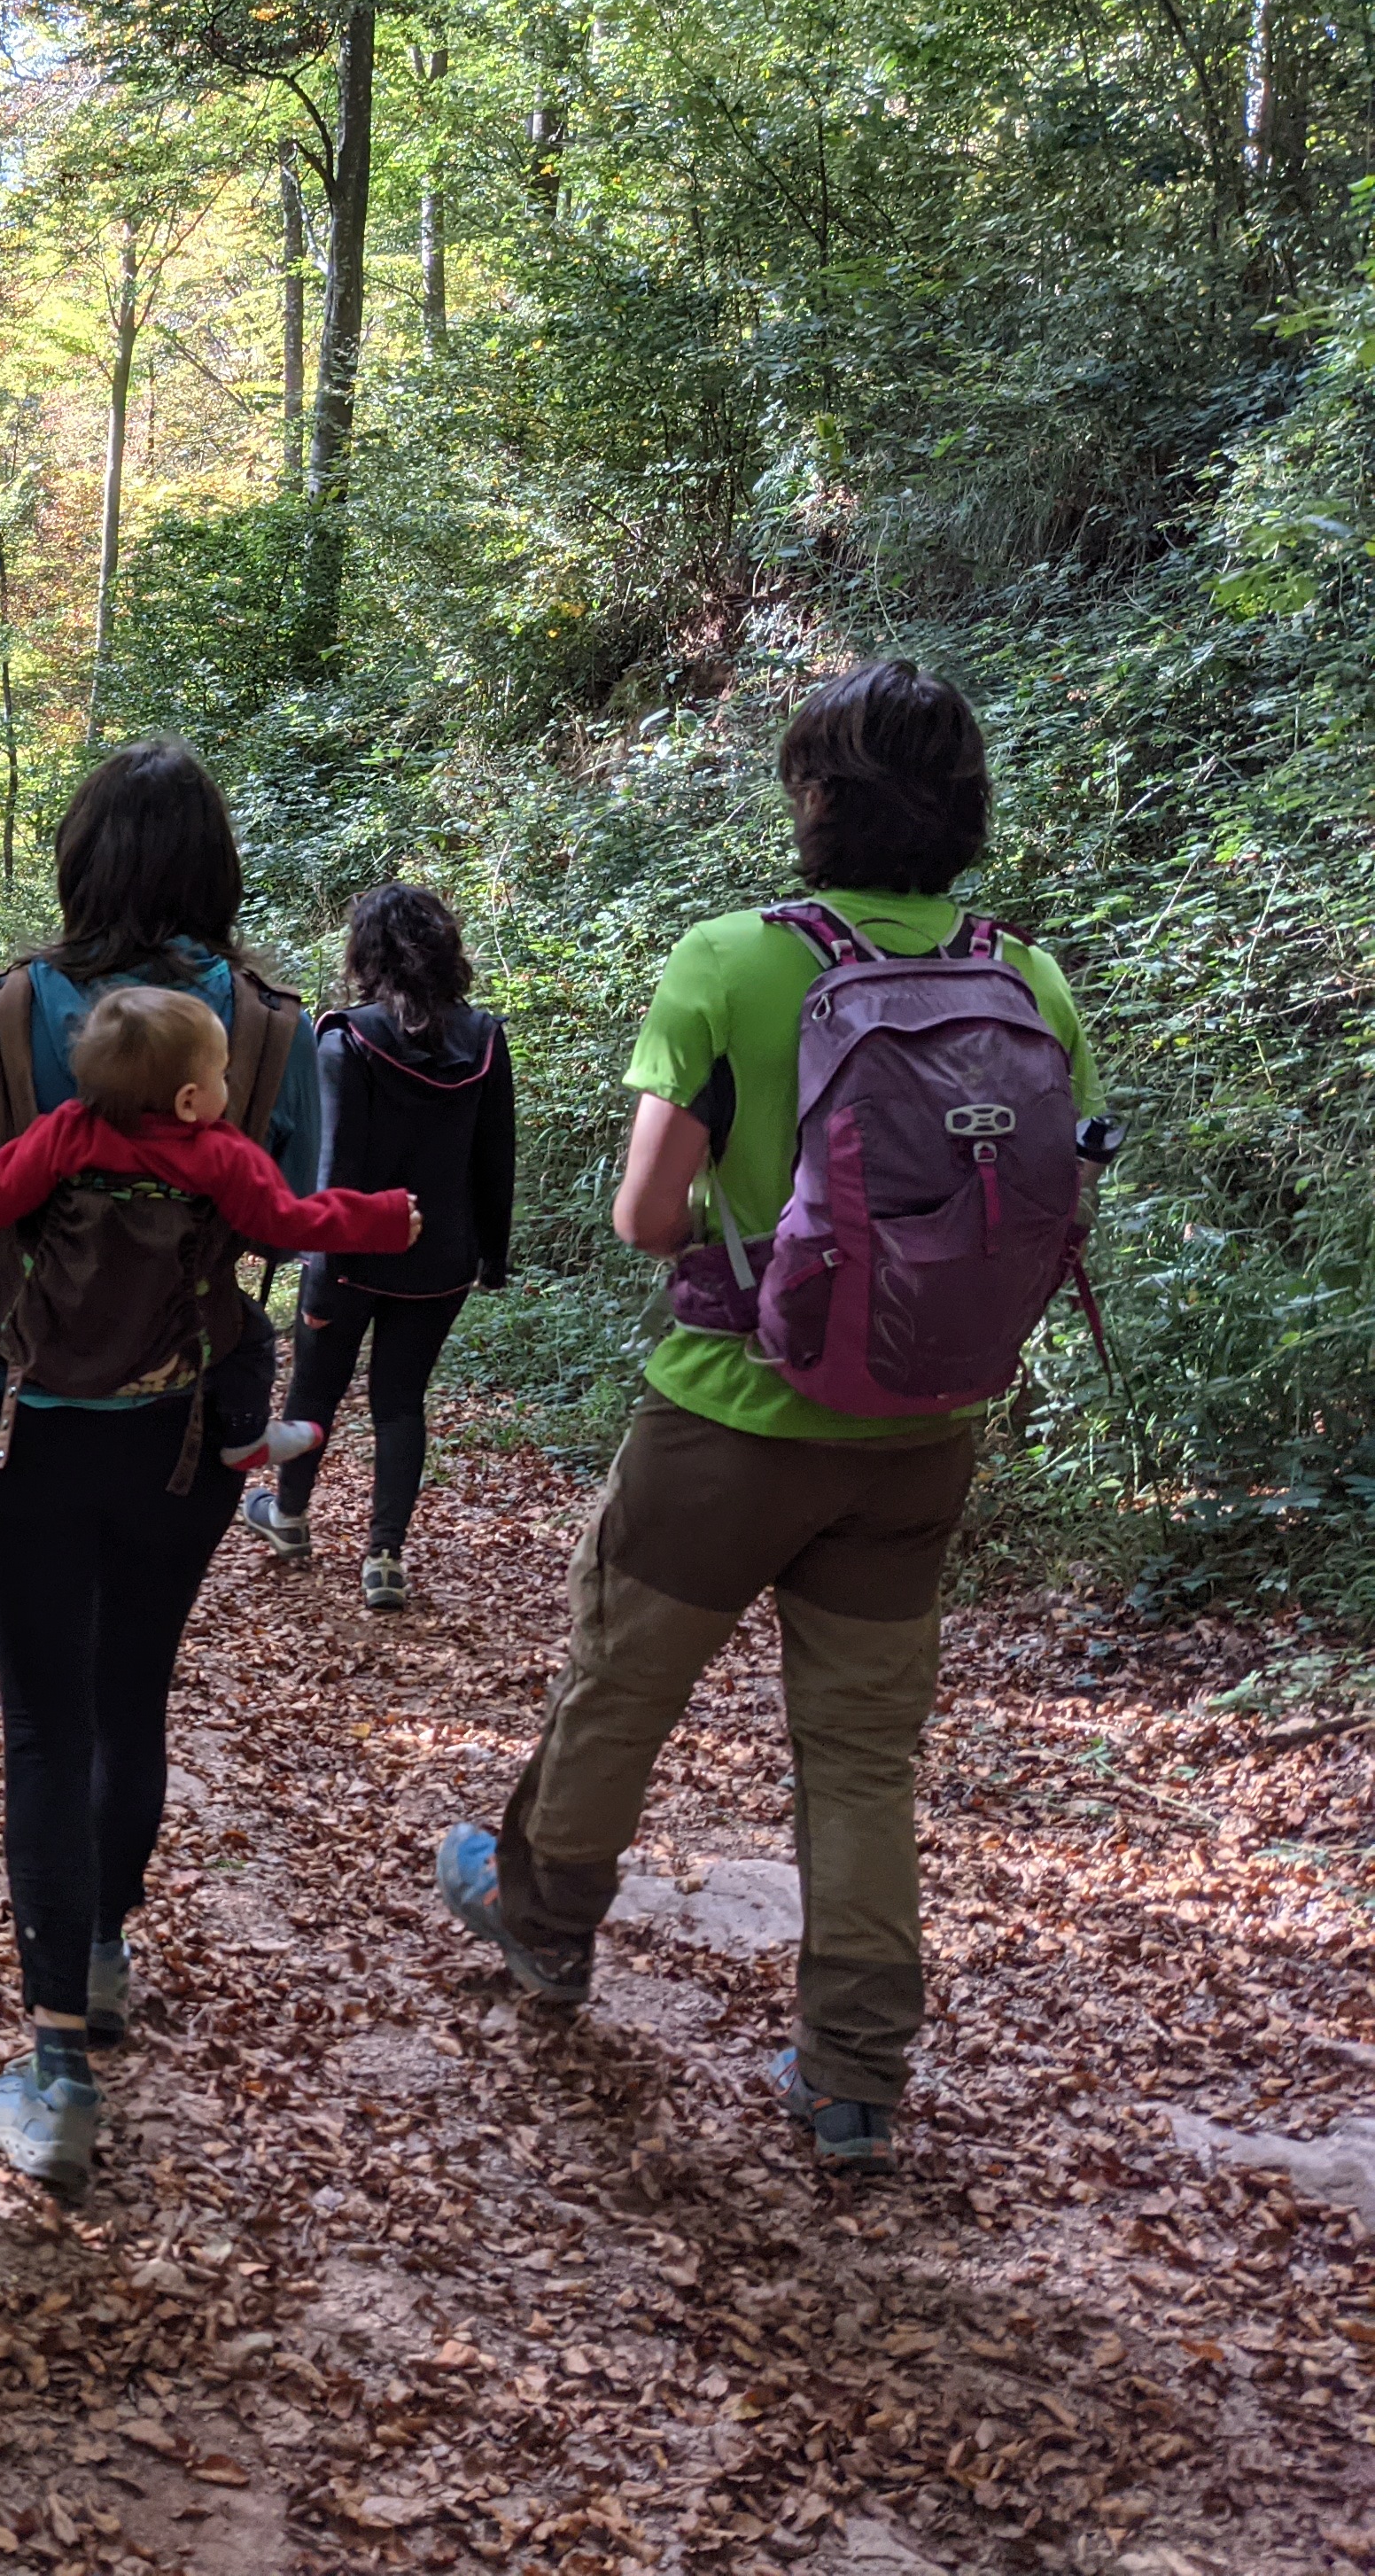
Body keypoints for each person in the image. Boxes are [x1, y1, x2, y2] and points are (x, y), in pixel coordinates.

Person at [432, 660, 1103, 2172]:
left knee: (623, 1684)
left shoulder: (732, 959)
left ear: (817, 799)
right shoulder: (1031, 977)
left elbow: (641, 1214)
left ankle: (542, 1926)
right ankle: (854, 2072)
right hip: (926, 1430)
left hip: (730, 1420)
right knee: (861, 1753)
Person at [0, 736, 322, 2194]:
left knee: (42, 1718)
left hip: (17, 1419)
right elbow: (283, 1225)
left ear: (77, 859)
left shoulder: (8, 1011)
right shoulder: (271, 1029)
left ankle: (55, 2066)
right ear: (215, 870)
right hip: (184, 1425)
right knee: (128, 1689)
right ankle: (100, 1953)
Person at [0, 984, 418, 1462]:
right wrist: (382, 1219)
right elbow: (286, 1222)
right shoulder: (221, 1153)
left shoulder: (64, 1132)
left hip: (48, 1311)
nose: (228, 1083)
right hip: (176, 1324)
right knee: (251, 1335)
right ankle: (245, 1434)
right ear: (189, 1101)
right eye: (222, 1072)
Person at [242, 883, 516, 1610]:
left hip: (353, 1255)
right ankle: (385, 1559)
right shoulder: (485, 1038)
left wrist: (323, 1278)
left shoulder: (347, 1038)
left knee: (315, 1390)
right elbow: (495, 1159)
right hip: (441, 1259)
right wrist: (493, 1255)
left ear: (366, 952)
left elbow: (336, 1171)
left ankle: (291, 1518)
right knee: (401, 1402)